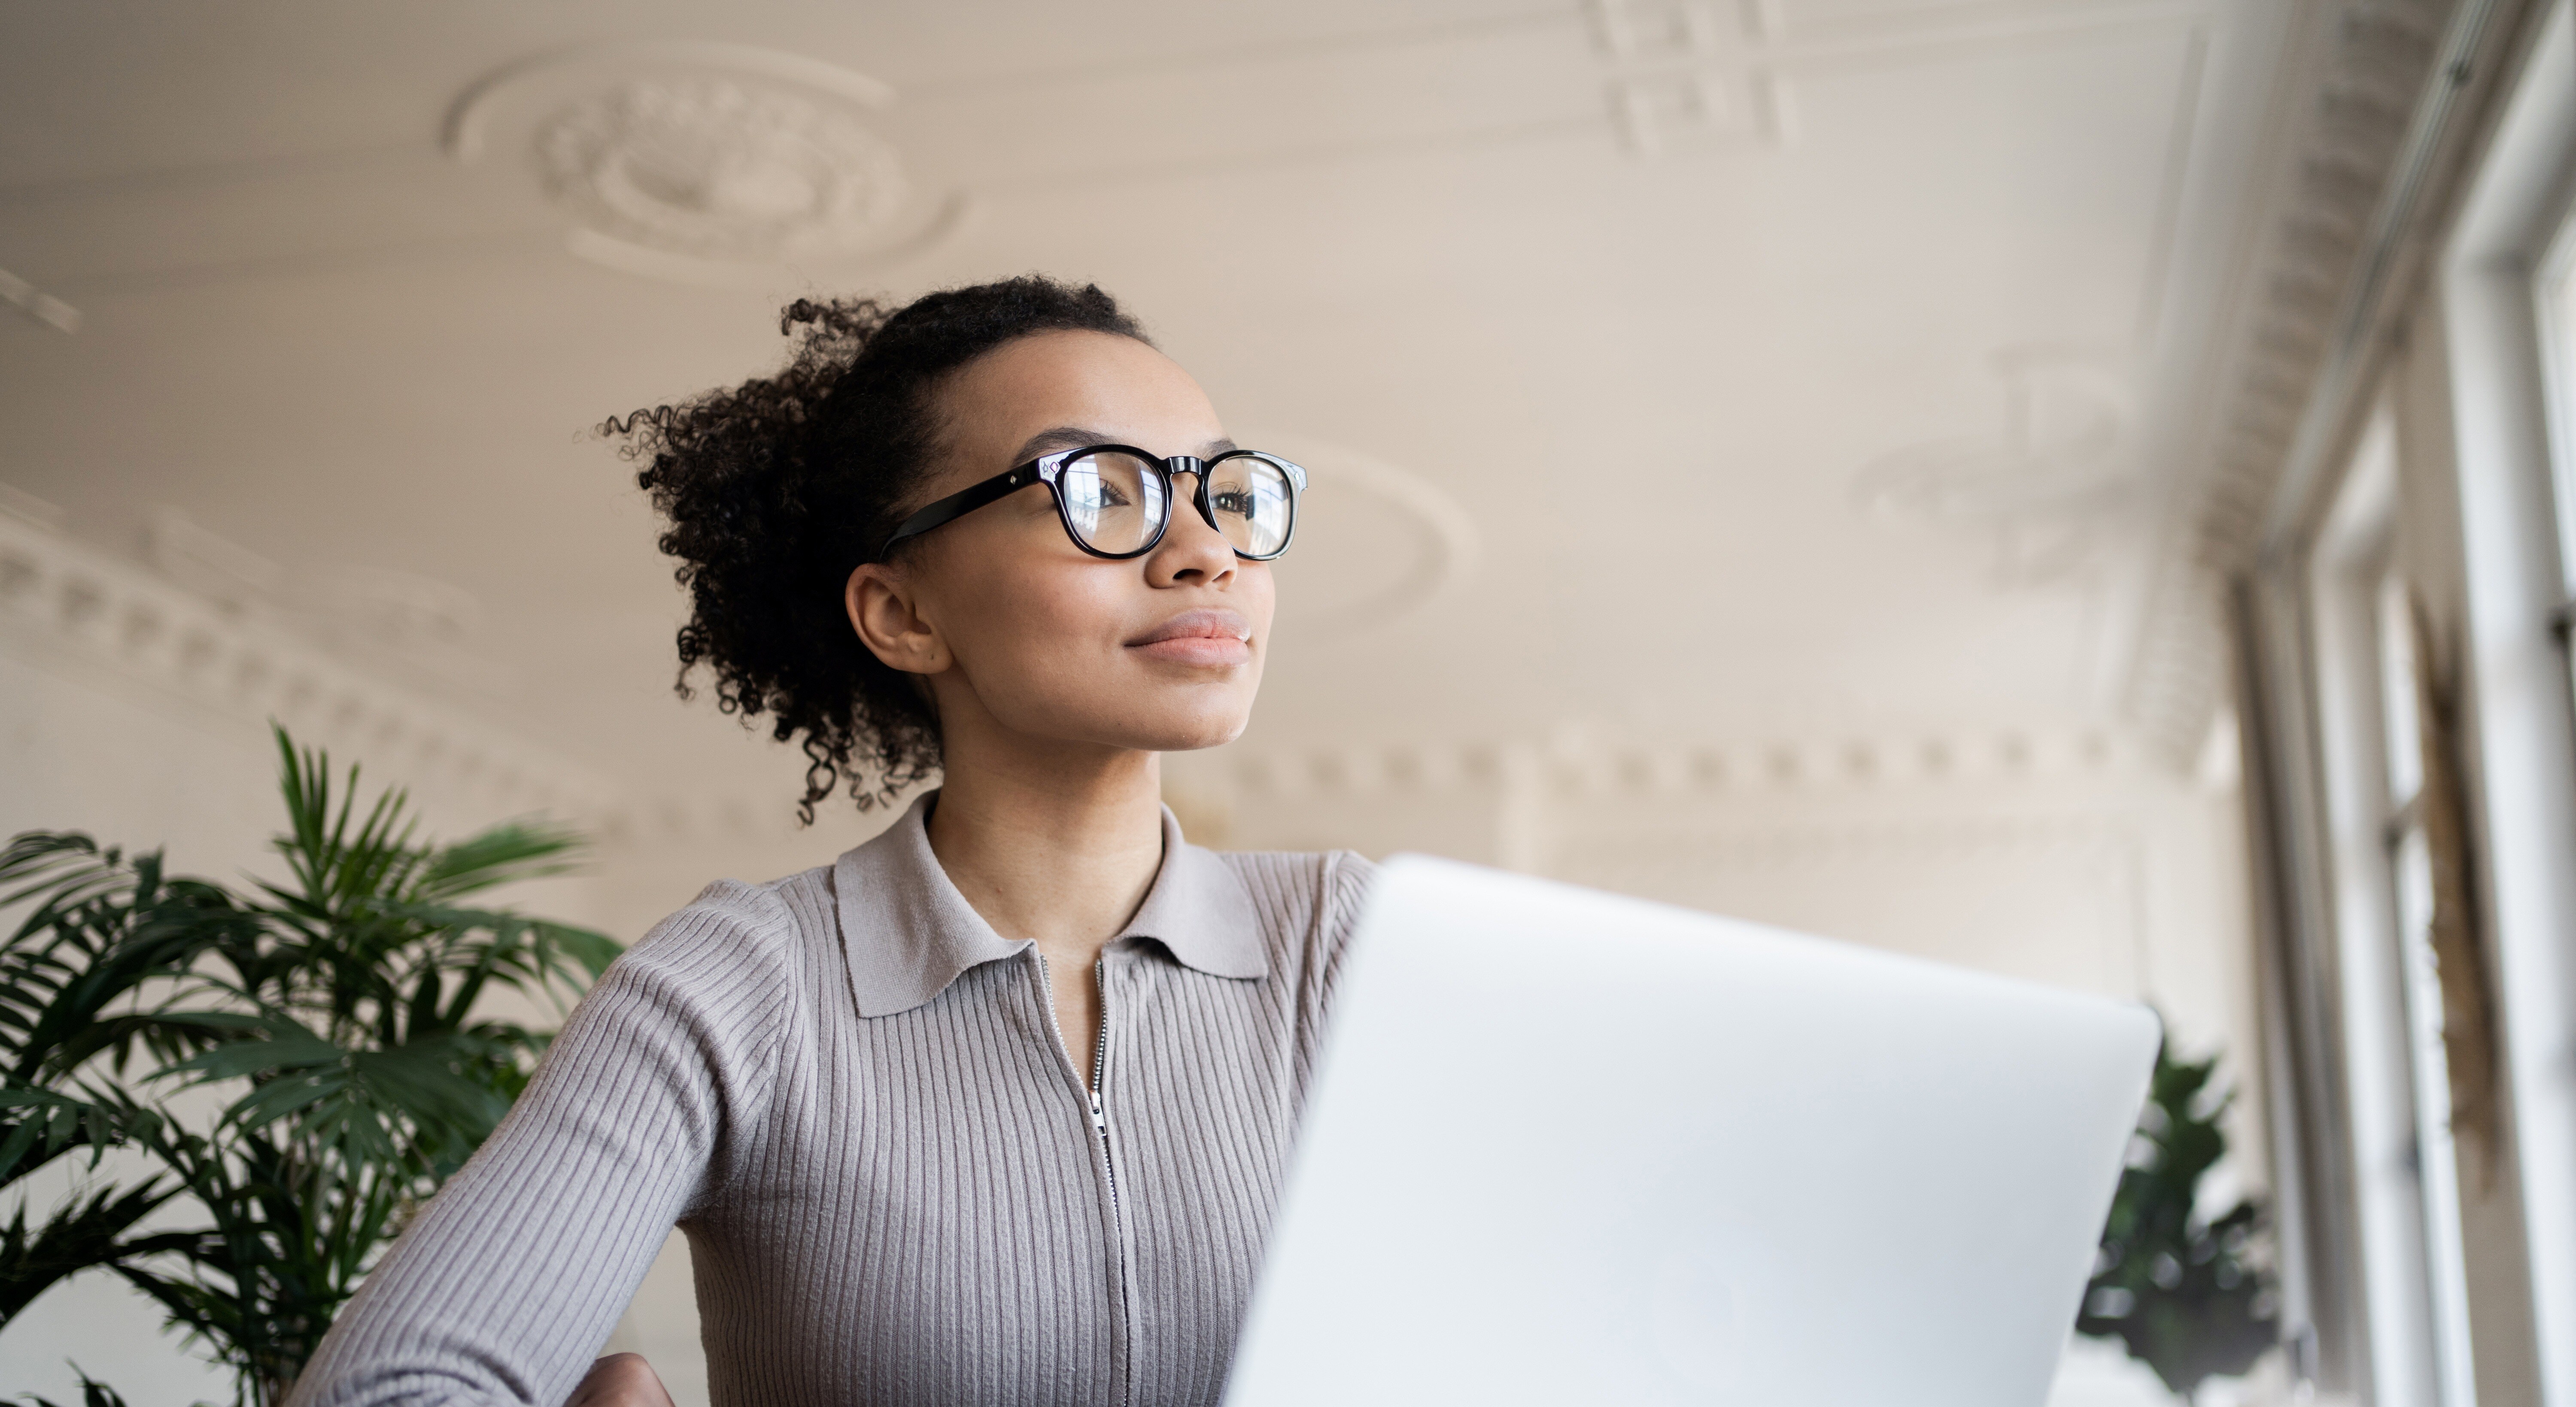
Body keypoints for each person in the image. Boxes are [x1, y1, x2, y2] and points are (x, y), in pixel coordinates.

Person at [286, 276, 1373, 1407]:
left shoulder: (1353, 947)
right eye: (1099, 491)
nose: (1207, 552)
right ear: (903, 613)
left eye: (1223, 491)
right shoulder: (735, 989)